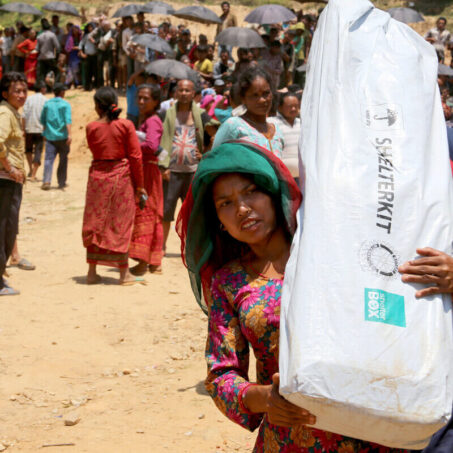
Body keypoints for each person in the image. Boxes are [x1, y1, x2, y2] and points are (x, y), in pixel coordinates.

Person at [177, 140, 453, 452]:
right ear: (220, 224)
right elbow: (221, 377)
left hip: (376, 432)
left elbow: (408, 305)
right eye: (225, 203)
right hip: (292, 439)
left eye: (251, 191)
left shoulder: (338, 249)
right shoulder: (229, 283)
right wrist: (264, 398)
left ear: (273, 193)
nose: (242, 208)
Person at [82, 87, 145, 285]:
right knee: (121, 223)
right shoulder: (126, 125)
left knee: (96, 221)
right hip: (121, 178)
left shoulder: (91, 127)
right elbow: (135, 156)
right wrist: (140, 185)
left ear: (98, 106)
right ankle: (123, 274)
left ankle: (92, 272)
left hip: (97, 179)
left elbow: (95, 150)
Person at [160, 79, 218, 252]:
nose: (184, 93)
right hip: (172, 172)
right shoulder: (167, 114)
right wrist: (163, 166)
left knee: (194, 213)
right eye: (181, 90)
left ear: (194, 94)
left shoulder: (200, 114)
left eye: (188, 90)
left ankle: (192, 247)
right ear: (176, 92)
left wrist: (206, 152)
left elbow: (215, 133)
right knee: (166, 212)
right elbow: (159, 139)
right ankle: (162, 247)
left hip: (193, 172)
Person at [129, 84, 164, 275]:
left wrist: (132, 146)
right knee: (152, 213)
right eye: (139, 98)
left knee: (145, 212)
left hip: (148, 172)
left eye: (146, 98)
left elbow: (151, 146)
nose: (141, 101)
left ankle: (142, 262)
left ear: (155, 101)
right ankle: (154, 262)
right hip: (149, 169)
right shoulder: (148, 119)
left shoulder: (152, 121)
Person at [213, 68, 284, 157]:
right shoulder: (234, 125)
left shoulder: (277, 130)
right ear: (243, 98)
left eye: (266, 93)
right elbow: (215, 160)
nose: (262, 100)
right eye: (255, 95)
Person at [0, 72, 28, 296]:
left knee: (8, 229)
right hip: (5, 180)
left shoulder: (13, 113)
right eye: (16, 91)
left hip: (10, 180)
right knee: (5, 230)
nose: (21, 95)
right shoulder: (5, 113)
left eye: (24, 91)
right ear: (5, 93)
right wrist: (10, 168)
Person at [40, 83, 72, 190]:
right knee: (63, 160)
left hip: (50, 137)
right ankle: (61, 182)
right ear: (62, 92)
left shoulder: (47, 104)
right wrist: (70, 135)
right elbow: (68, 121)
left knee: (49, 160)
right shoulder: (65, 104)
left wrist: (44, 133)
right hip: (63, 136)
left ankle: (47, 181)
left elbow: (43, 120)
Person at [268, 92, 301, 183]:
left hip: (302, 177)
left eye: (296, 106)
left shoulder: (303, 123)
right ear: (280, 107)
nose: (294, 109)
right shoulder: (271, 123)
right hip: (282, 178)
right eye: (290, 106)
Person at [23, 81, 47, 181]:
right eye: (45, 88)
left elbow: (23, 115)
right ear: (42, 89)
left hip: (29, 128)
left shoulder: (28, 99)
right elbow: (46, 117)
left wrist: (23, 129)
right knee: (38, 151)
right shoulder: (46, 100)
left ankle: (30, 169)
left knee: (28, 150)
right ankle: (33, 175)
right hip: (40, 129)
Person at [36, 19, 60, 84]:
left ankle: (44, 88)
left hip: (41, 58)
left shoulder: (39, 36)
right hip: (50, 57)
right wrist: (57, 58)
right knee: (56, 72)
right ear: (49, 27)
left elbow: (37, 49)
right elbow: (57, 47)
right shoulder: (52, 35)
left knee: (42, 74)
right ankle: (55, 85)